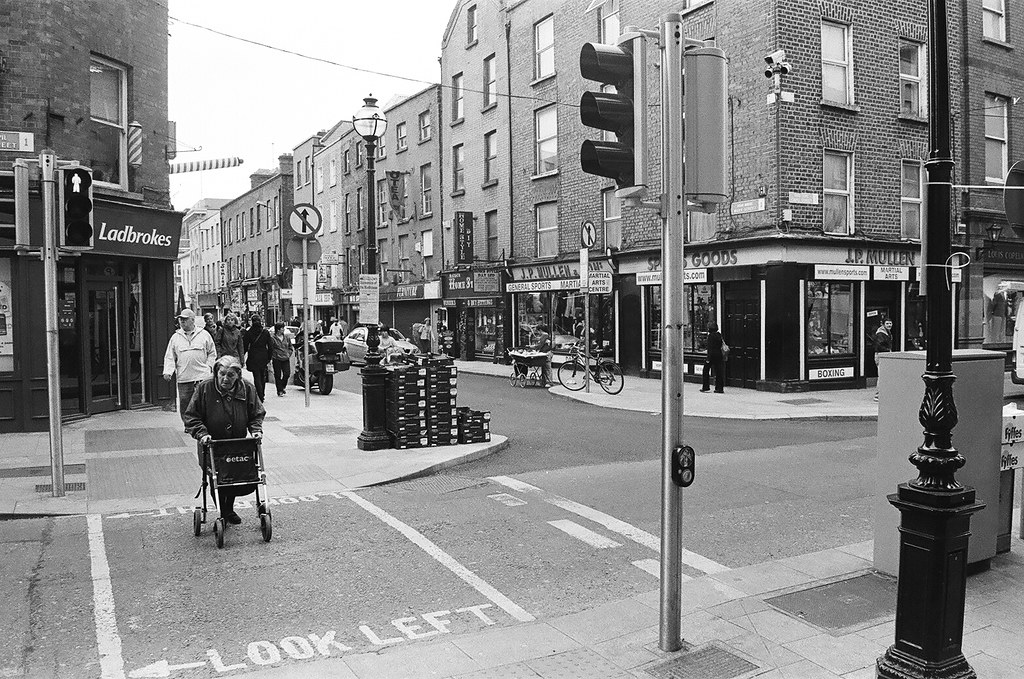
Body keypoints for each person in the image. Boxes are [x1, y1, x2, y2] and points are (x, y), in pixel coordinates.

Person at [184, 356, 265, 525]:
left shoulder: (247, 388)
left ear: (238, 376)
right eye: (222, 374)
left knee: (234, 476)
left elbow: (256, 413)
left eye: (230, 375)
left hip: (236, 443)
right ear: (216, 372)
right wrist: (202, 433)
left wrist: (256, 430)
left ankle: (228, 509)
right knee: (216, 477)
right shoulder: (204, 388)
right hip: (211, 445)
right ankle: (225, 511)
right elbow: (192, 416)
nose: (225, 379)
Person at [162, 309, 217, 424]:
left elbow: (212, 353)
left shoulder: (204, 335)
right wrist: (168, 371)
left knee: (203, 402)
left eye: (185, 319)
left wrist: (209, 366)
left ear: (192, 320)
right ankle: (188, 424)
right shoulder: (175, 337)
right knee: (185, 403)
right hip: (184, 377)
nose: (182, 322)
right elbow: (170, 356)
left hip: (202, 376)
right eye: (180, 319)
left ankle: (203, 423)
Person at [243, 315, 273, 402]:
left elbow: (245, 346)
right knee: (262, 375)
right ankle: (262, 394)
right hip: (263, 356)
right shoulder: (265, 332)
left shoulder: (248, 332)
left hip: (253, 355)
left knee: (256, 376)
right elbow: (270, 346)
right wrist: (269, 357)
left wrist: (242, 357)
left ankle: (259, 395)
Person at [701, 321, 725, 394]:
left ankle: (706, 387)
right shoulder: (719, 335)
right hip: (719, 355)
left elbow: (710, 348)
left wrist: (708, 358)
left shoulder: (711, 336)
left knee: (705, 371)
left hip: (712, 356)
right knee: (719, 372)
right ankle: (719, 388)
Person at [270, 322, 293, 397]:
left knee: (287, 373)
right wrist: (274, 355)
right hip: (277, 358)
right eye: (282, 328)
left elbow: (290, 347)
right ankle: (279, 390)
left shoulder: (286, 337)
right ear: (278, 330)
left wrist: (288, 353)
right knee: (277, 375)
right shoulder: (273, 338)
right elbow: (271, 348)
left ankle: (282, 386)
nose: (283, 329)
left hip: (285, 358)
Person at [873, 317, 893, 402]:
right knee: (881, 376)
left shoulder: (886, 332)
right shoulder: (881, 334)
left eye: (890, 323)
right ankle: (878, 394)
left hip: (884, 355)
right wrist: (888, 350)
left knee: (884, 375)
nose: (889, 325)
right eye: (887, 323)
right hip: (881, 356)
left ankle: (882, 393)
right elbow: (879, 346)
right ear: (883, 324)